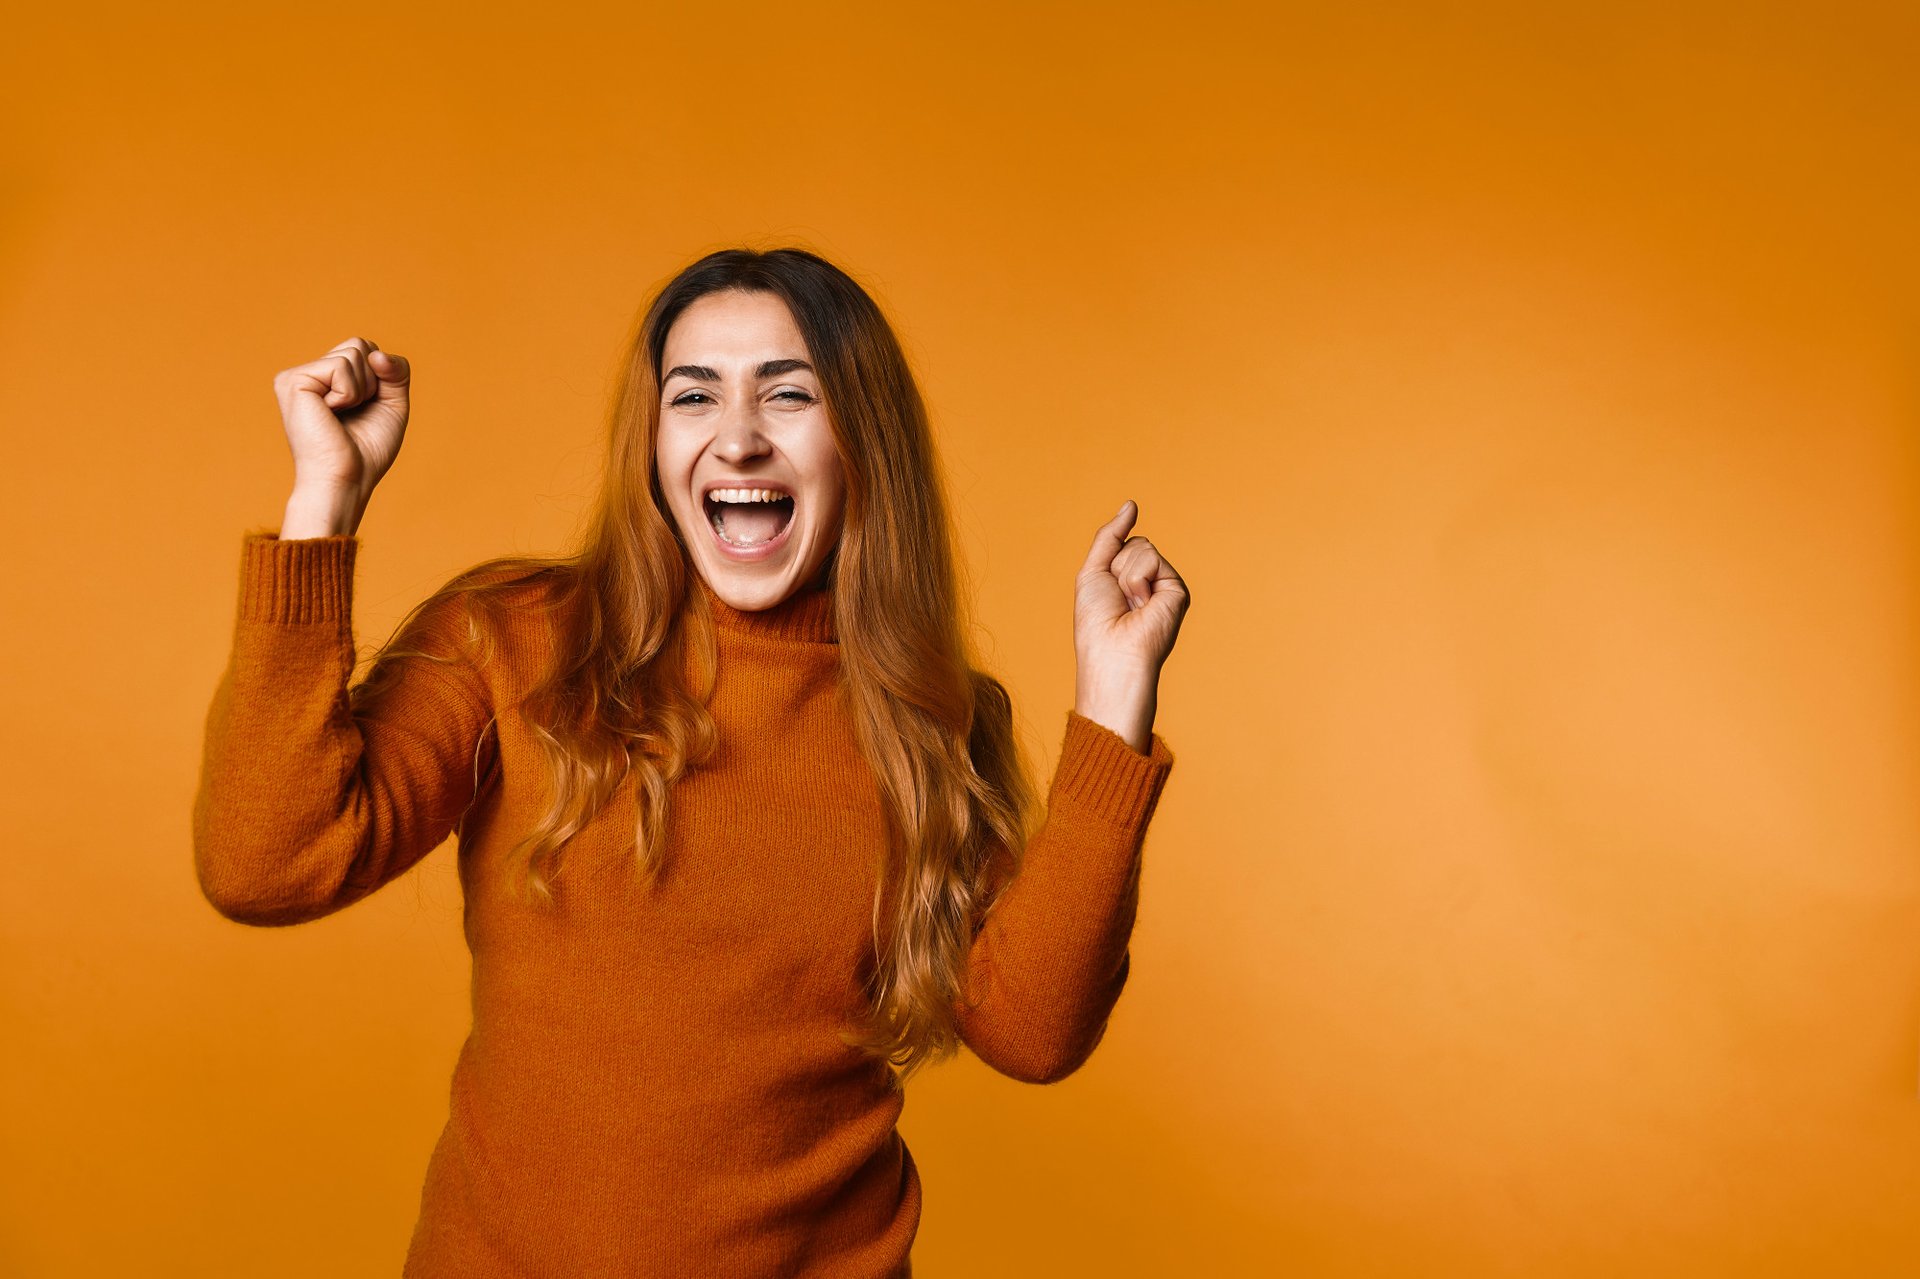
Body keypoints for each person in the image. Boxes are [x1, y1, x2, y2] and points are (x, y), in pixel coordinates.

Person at [192, 247, 1190, 1277]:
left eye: (790, 394)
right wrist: (326, 501)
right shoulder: (515, 640)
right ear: (654, 441)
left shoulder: (930, 719)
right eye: (694, 396)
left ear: (863, 442)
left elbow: (1032, 1030)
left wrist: (1113, 708)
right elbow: (266, 861)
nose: (739, 438)